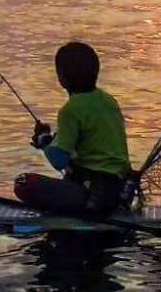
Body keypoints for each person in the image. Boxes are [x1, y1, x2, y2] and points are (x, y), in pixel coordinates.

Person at [14, 41, 131, 217]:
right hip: (120, 187)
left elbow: (59, 160)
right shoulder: (108, 101)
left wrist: (44, 140)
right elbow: (88, 145)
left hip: (93, 195)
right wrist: (48, 140)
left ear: (62, 78)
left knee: (23, 182)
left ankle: (72, 209)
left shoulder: (70, 110)